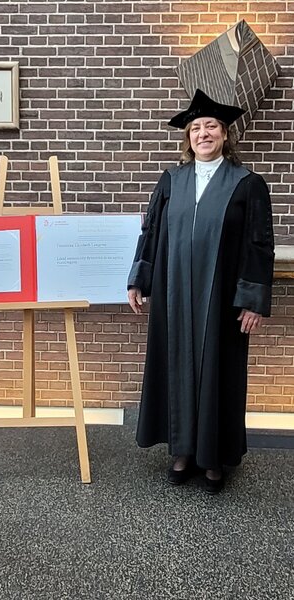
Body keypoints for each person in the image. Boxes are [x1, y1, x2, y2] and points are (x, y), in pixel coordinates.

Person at [127, 89, 274, 495]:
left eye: (211, 126)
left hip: (222, 299)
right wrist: (139, 278)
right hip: (173, 295)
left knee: (218, 371)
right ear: (188, 138)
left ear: (225, 134)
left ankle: (213, 458)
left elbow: (259, 244)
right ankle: (182, 451)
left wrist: (253, 301)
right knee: (174, 366)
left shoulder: (247, 184)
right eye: (196, 128)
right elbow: (151, 232)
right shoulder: (171, 181)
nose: (203, 133)